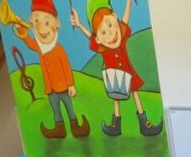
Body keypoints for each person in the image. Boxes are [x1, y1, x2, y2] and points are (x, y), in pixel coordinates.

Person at [69, 0, 163, 137]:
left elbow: (125, 20)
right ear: (98, 39)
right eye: (103, 32)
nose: (111, 33)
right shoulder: (103, 48)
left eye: (110, 24)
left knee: (135, 93)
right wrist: (79, 25)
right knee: (116, 96)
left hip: (128, 73)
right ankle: (116, 126)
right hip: (114, 76)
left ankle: (144, 124)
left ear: (114, 16)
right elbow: (90, 36)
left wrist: (129, 3)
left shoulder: (122, 36)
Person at [12, 0, 90, 139]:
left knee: (69, 108)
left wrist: (71, 85)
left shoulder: (59, 50)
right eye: (36, 21)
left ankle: (76, 127)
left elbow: (66, 67)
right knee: (56, 110)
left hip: (63, 88)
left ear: (56, 24)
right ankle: (60, 129)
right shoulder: (40, 47)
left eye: (47, 22)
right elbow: (29, 42)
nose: (41, 28)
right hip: (51, 89)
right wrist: (20, 28)